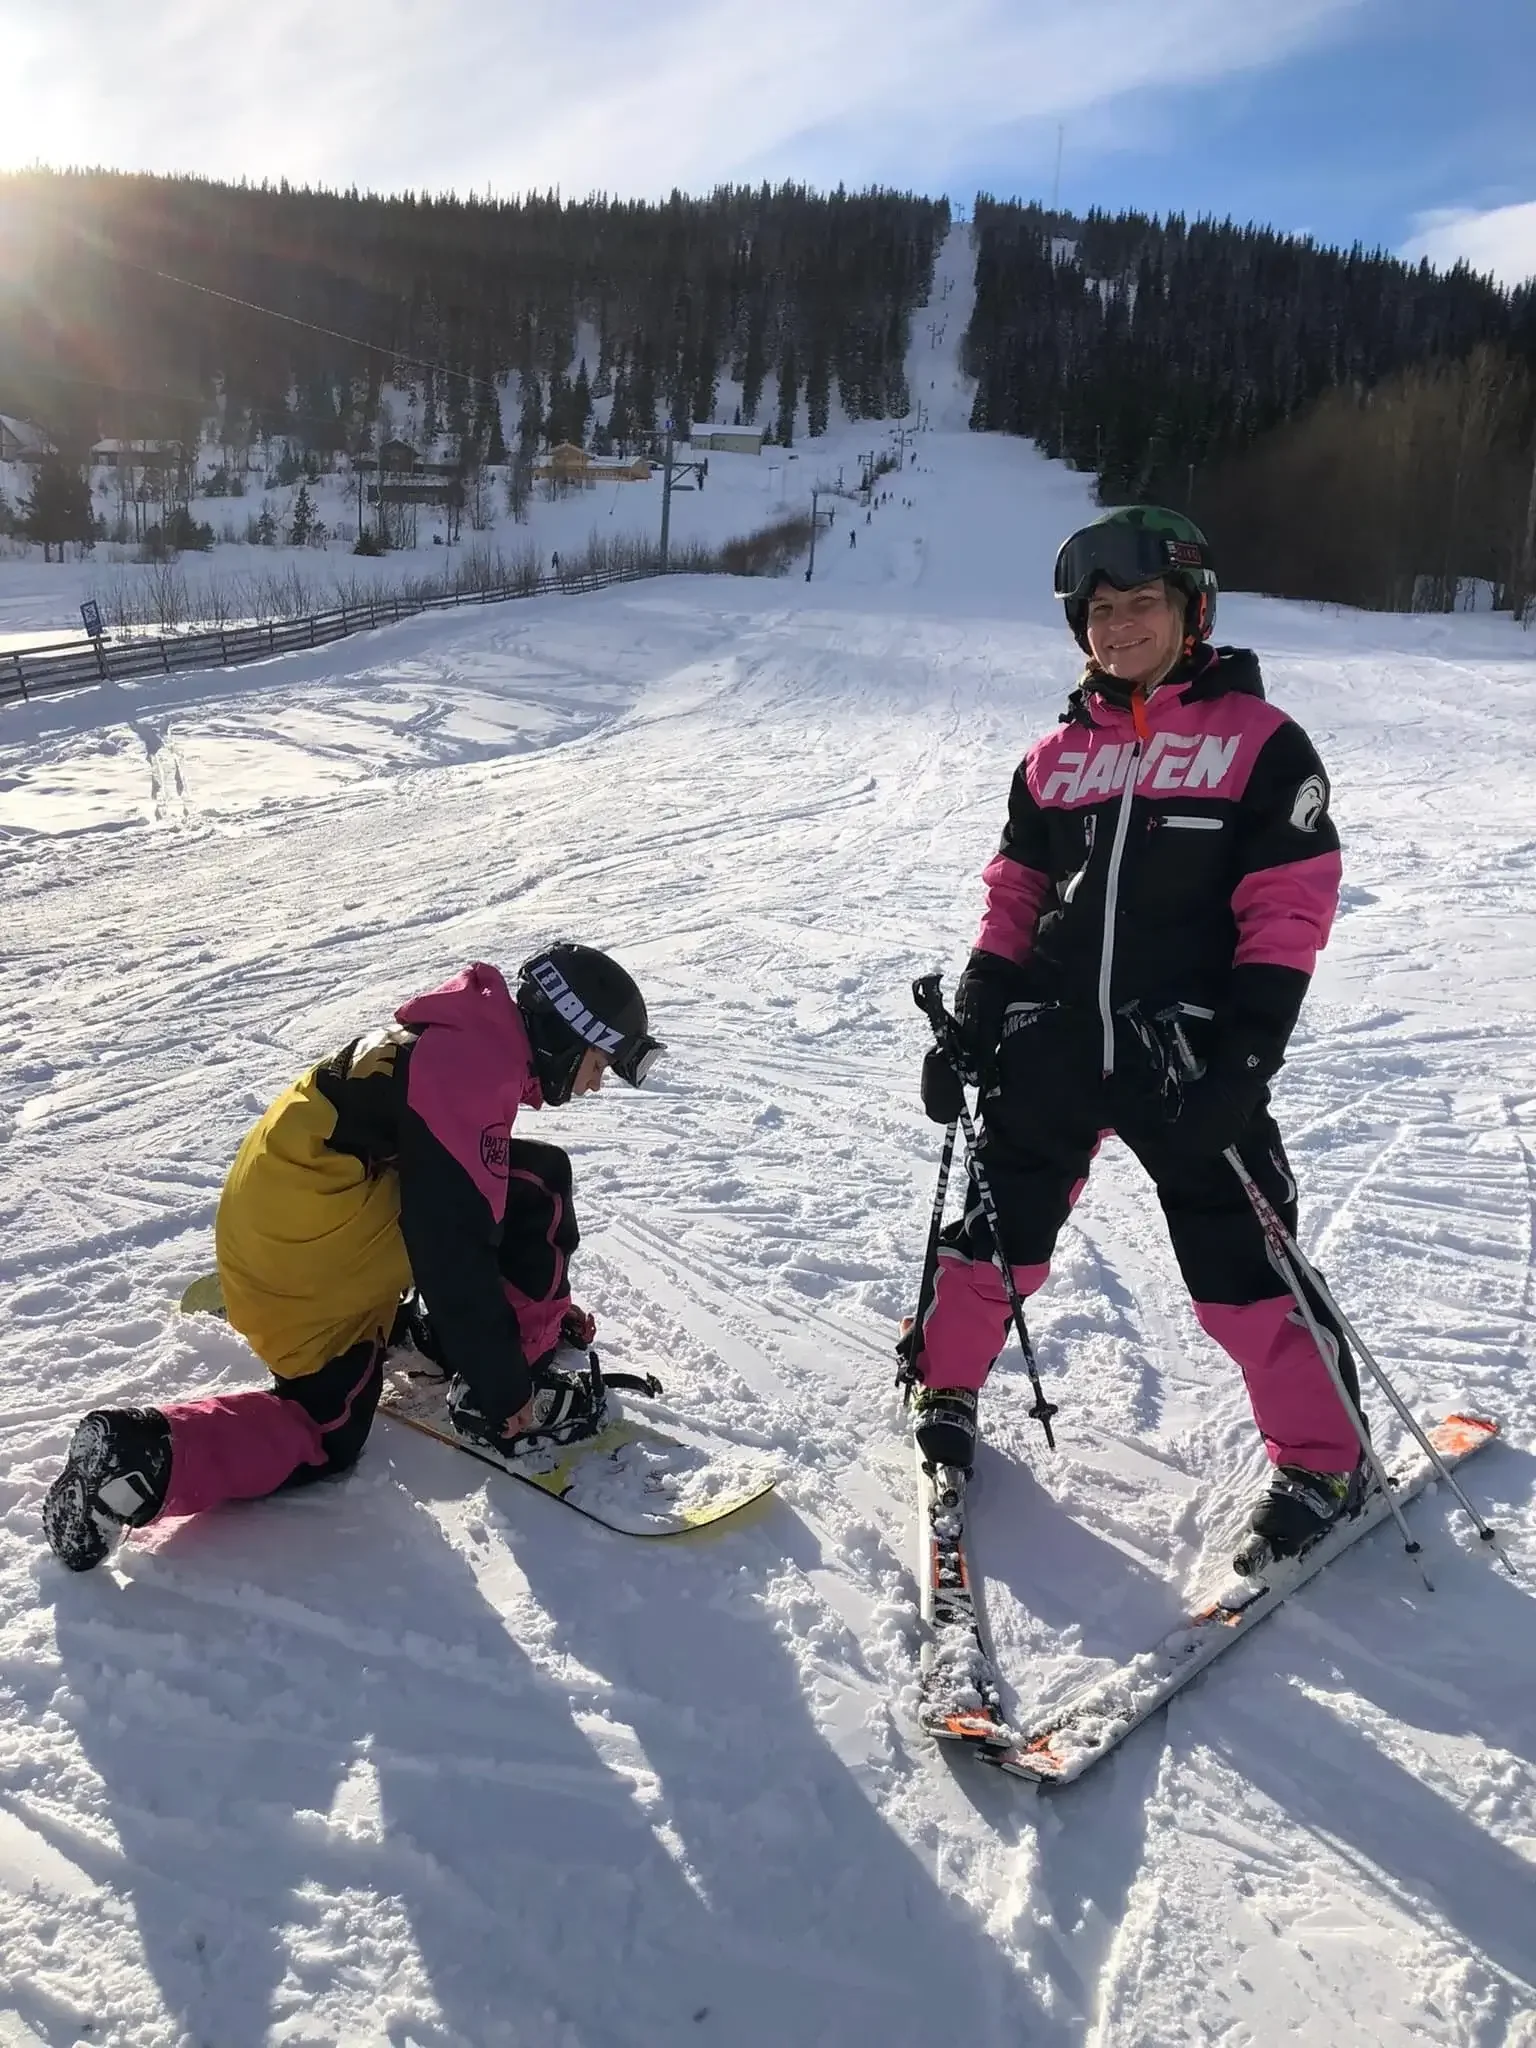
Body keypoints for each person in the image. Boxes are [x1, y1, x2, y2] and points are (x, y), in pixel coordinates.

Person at [905, 505, 1363, 1562]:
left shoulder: (1261, 744)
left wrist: (1246, 1059)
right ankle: (944, 1384)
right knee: (989, 1235)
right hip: (1055, 1039)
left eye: (1140, 605)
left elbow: (1288, 910)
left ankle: (1325, 1455)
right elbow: (1015, 899)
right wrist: (976, 1018)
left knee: (1241, 1264)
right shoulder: (1053, 758)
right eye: (1100, 611)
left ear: (1192, 611)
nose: (1117, 629)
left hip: (1187, 1051)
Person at [44, 945, 664, 1572]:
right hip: (308, 1256)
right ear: (566, 1037)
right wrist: (504, 1387)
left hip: (278, 1233)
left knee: (334, 1418)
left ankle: (141, 1458)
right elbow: (453, 1249)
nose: (594, 1084)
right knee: (533, 1189)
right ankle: (515, 1371)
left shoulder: (467, 1040)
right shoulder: (471, 1070)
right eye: (599, 1064)